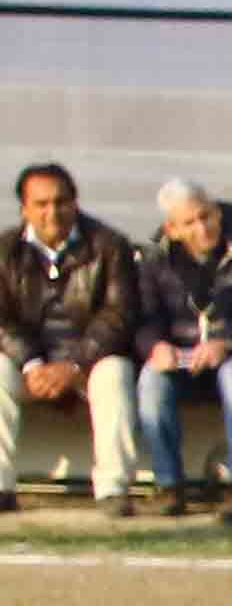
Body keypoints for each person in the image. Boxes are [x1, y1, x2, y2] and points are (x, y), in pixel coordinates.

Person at [4, 161, 139, 512]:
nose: (53, 212)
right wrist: (32, 364)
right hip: (30, 366)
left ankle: (113, 489)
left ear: (75, 202)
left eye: (62, 201)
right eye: (42, 204)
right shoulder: (5, 252)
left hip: (88, 361)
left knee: (115, 373)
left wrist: (73, 364)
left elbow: (118, 316)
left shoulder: (109, 246)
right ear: (24, 209)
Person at [134, 175, 232, 519]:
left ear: (218, 213)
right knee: (152, 379)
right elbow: (144, 322)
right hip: (183, 355)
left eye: (206, 216)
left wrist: (227, 342)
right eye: (189, 223)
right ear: (172, 229)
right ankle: (168, 485)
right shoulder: (155, 260)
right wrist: (156, 346)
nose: (202, 227)